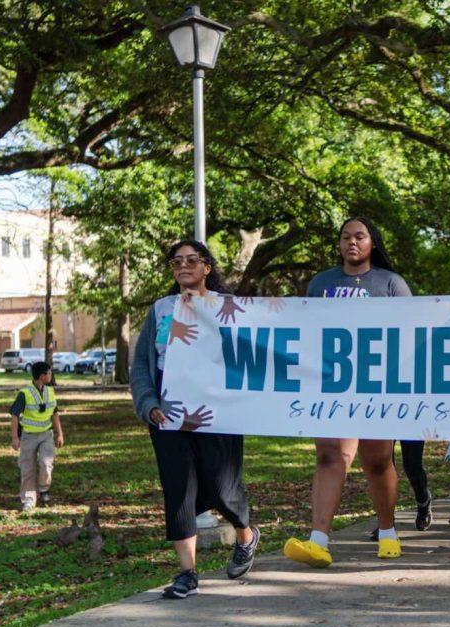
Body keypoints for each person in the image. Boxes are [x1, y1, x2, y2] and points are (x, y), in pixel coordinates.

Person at [130, 240, 260, 598]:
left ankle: (246, 533)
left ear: (206, 268)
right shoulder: (161, 309)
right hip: (169, 415)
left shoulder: (229, 309)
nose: (183, 266)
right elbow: (142, 364)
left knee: (221, 486)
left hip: (217, 413)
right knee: (179, 489)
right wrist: (147, 404)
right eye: (176, 262)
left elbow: (250, 354)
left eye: (192, 260)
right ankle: (187, 573)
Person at [285, 217, 411, 568]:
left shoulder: (391, 284)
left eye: (359, 236)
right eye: (345, 237)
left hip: (377, 386)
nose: (351, 242)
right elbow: (305, 330)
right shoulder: (321, 284)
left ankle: (387, 531)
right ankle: (318, 541)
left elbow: (411, 334)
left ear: (373, 242)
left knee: (377, 461)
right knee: (330, 457)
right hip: (330, 384)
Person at [9, 361, 63, 512]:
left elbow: (55, 413)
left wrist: (60, 434)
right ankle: (28, 499)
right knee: (28, 468)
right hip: (29, 436)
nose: (51, 376)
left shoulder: (50, 392)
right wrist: (15, 437)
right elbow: (14, 415)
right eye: (49, 373)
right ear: (42, 376)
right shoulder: (24, 394)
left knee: (46, 464)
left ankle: (44, 489)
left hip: (46, 435)